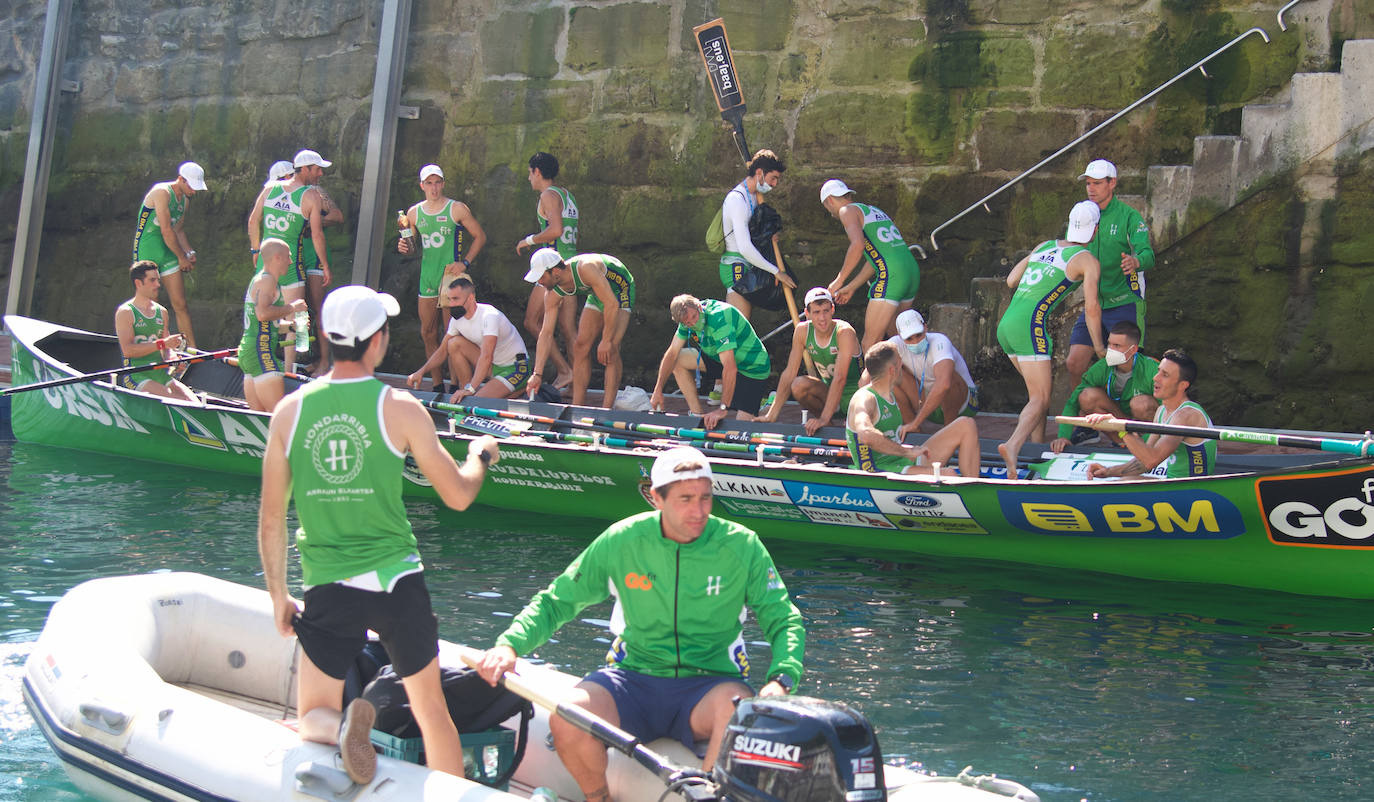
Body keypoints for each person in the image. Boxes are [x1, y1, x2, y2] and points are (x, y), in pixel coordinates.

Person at [257, 284, 501, 785]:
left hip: (329, 583)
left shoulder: (289, 412)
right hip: (397, 582)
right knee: (432, 711)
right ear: (379, 341)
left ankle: (347, 723)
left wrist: (279, 595)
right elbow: (457, 495)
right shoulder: (402, 408)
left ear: (325, 335)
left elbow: (270, 519)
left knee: (312, 715)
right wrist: (479, 456)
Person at [474, 446, 805, 802]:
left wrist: (781, 680)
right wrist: (509, 645)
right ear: (655, 497)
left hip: (711, 681)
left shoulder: (742, 545)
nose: (698, 511)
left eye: (705, 498)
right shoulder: (622, 540)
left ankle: (709, 795)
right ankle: (598, 798)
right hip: (631, 676)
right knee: (567, 718)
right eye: (685, 499)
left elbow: (783, 618)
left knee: (737, 712)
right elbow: (557, 602)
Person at [995, 200, 1105, 477]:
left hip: (1006, 324)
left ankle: (1036, 450)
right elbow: (1091, 307)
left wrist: (1035, 258)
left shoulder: (1043, 246)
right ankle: (1013, 444)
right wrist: (1100, 346)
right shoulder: (1087, 260)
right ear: (1095, 230)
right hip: (1030, 325)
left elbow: (1011, 280)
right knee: (1041, 398)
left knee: (1036, 395)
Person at [1065, 159, 1156, 390]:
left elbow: (1149, 255)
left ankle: (1128, 421)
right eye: (1088, 184)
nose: (1091, 189)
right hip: (1094, 303)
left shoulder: (1129, 217)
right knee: (1074, 363)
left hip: (1124, 302)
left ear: (1112, 183)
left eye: (1097, 183)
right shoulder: (1083, 213)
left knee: (1126, 367)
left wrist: (1136, 261)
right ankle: (1081, 418)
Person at [398, 164, 487, 392]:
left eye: (437, 182)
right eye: (429, 183)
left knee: (452, 333)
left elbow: (479, 236)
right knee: (427, 332)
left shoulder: (456, 208)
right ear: (422, 186)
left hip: (451, 280)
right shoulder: (414, 213)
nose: (434, 187)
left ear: (443, 184)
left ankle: (455, 384)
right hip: (427, 278)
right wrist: (403, 247)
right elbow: (411, 246)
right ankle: (437, 385)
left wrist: (464, 262)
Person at [247, 149, 334, 372]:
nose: (320, 174)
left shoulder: (270, 188)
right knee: (296, 316)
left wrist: (255, 250)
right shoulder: (311, 196)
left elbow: (253, 220)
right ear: (304, 169)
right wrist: (324, 264)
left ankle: (263, 362)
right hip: (290, 266)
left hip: (265, 264)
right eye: (317, 169)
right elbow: (316, 234)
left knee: (262, 313)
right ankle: (288, 369)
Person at [846, 341, 980, 476]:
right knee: (949, 474)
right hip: (877, 468)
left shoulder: (890, 394)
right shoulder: (864, 398)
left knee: (966, 424)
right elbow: (866, 435)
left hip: (901, 460)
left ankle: (974, 487)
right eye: (900, 362)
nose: (902, 365)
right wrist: (907, 451)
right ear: (892, 370)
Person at [523, 248, 633, 408]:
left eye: (541, 277)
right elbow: (546, 333)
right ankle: (577, 408)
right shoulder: (552, 292)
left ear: (555, 272)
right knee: (580, 346)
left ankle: (607, 410)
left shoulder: (585, 268)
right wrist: (537, 374)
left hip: (620, 292)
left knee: (611, 349)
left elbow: (611, 303)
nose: (539, 282)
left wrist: (606, 339)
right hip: (598, 294)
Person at [820, 179, 921, 353]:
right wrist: (851, 287)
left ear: (829, 200)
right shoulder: (873, 210)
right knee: (901, 339)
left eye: (827, 209)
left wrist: (839, 280)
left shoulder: (846, 211)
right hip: (910, 271)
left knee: (870, 345)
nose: (830, 213)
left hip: (893, 276)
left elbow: (857, 246)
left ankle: (871, 381)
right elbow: (875, 259)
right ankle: (914, 379)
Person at [1086, 349, 1215, 479]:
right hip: (1173, 484)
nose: (1155, 377)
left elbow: (1151, 460)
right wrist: (1108, 472)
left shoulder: (1186, 415)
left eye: (1165, 375)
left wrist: (1121, 428)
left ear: (1182, 385)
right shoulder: (1161, 410)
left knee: (1122, 484)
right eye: (1158, 371)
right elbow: (1144, 461)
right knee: (1121, 482)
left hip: (1192, 489)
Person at [651, 294, 772, 429]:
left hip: (752, 367)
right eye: (687, 323)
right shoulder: (686, 319)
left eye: (694, 317)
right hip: (720, 358)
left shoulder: (719, 317)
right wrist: (658, 389)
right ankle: (697, 417)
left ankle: (770, 408)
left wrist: (722, 408)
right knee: (678, 359)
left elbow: (730, 368)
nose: (693, 323)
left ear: (699, 307)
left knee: (739, 431)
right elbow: (672, 353)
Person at [406, 276, 530, 402]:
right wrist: (421, 372)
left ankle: (513, 390)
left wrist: (471, 389)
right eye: (449, 299)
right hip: (492, 367)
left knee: (478, 402)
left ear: (471, 298)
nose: (451, 304)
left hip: (515, 368)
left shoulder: (490, 316)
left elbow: (487, 356)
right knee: (453, 344)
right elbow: (442, 351)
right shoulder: (456, 320)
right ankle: (466, 390)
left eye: (455, 299)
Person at [515, 152, 578, 390]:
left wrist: (529, 240)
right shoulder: (567, 195)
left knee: (532, 321)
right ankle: (577, 382)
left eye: (530, 173)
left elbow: (556, 230)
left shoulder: (548, 195)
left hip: (553, 268)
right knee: (569, 329)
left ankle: (565, 371)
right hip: (572, 267)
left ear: (537, 172)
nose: (529, 178)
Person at [761, 287, 861, 435]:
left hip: (857, 397)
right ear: (807, 314)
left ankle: (828, 421)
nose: (822, 318)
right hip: (829, 396)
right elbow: (790, 372)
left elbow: (840, 378)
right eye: (816, 312)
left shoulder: (844, 332)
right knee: (798, 384)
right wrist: (772, 414)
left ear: (833, 309)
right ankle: (829, 428)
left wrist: (823, 418)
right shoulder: (802, 331)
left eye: (826, 311)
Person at [1051, 320, 1159, 453]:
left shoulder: (1152, 369)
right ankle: (1122, 444)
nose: (1111, 350)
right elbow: (1072, 403)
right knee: (1087, 396)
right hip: (1119, 419)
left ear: (1134, 349)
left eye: (1117, 345)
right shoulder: (1102, 367)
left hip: (1143, 425)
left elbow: (1167, 409)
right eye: (1109, 344)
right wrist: (1063, 437)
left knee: (1141, 404)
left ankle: (1146, 444)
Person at [132, 162, 206, 349]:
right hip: (148, 252)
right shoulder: (161, 192)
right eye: (191, 186)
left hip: (169, 252)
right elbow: (166, 231)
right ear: (181, 179)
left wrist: (189, 252)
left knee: (180, 304)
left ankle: (192, 351)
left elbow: (178, 230)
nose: (194, 191)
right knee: (151, 306)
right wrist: (181, 257)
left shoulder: (185, 201)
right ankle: (154, 349)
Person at [718, 148, 796, 321]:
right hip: (736, 266)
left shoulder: (754, 195)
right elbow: (745, 247)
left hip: (749, 264)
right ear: (759, 173)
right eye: (773, 178)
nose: (775, 184)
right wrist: (776, 272)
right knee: (739, 328)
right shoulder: (737, 200)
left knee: (743, 327)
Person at [238, 238, 309, 412]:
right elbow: (263, 314)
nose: (291, 262)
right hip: (261, 352)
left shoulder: (263, 280)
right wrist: (293, 307)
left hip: (251, 352)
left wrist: (292, 326)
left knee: (260, 420)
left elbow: (269, 323)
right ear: (277, 257)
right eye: (288, 257)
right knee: (279, 416)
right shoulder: (267, 280)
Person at [885, 309, 978, 438]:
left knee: (949, 379)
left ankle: (948, 433)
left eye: (919, 335)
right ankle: (913, 432)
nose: (916, 342)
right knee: (889, 377)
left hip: (965, 405)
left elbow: (944, 384)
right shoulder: (894, 343)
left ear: (925, 327)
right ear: (900, 336)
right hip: (926, 402)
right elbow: (870, 372)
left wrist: (918, 421)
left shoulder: (940, 341)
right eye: (909, 338)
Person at [115, 260, 198, 402]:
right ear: (138, 283)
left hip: (160, 374)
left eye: (158, 280)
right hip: (136, 375)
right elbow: (128, 350)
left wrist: (173, 359)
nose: (158, 285)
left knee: (194, 402)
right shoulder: (126, 312)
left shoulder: (162, 312)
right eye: (152, 280)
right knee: (179, 402)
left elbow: (167, 349)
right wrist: (162, 344)